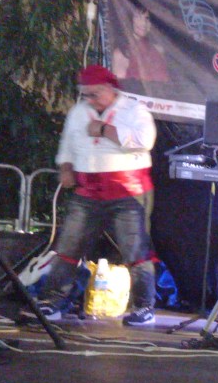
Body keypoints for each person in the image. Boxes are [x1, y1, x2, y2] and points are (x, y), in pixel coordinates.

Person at [23, 64, 158, 325]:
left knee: (136, 251)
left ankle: (144, 307)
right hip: (87, 192)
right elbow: (67, 145)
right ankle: (52, 302)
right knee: (68, 248)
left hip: (127, 192)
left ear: (110, 89)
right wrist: (66, 167)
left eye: (94, 94)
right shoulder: (78, 112)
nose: (89, 100)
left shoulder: (134, 110)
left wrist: (105, 130)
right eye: (85, 94)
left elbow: (145, 140)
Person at [112, 9, 169, 82]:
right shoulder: (121, 53)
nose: (143, 23)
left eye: (147, 18)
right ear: (129, 19)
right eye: (138, 17)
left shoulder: (159, 50)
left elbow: (167, 82)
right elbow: (121, 85)